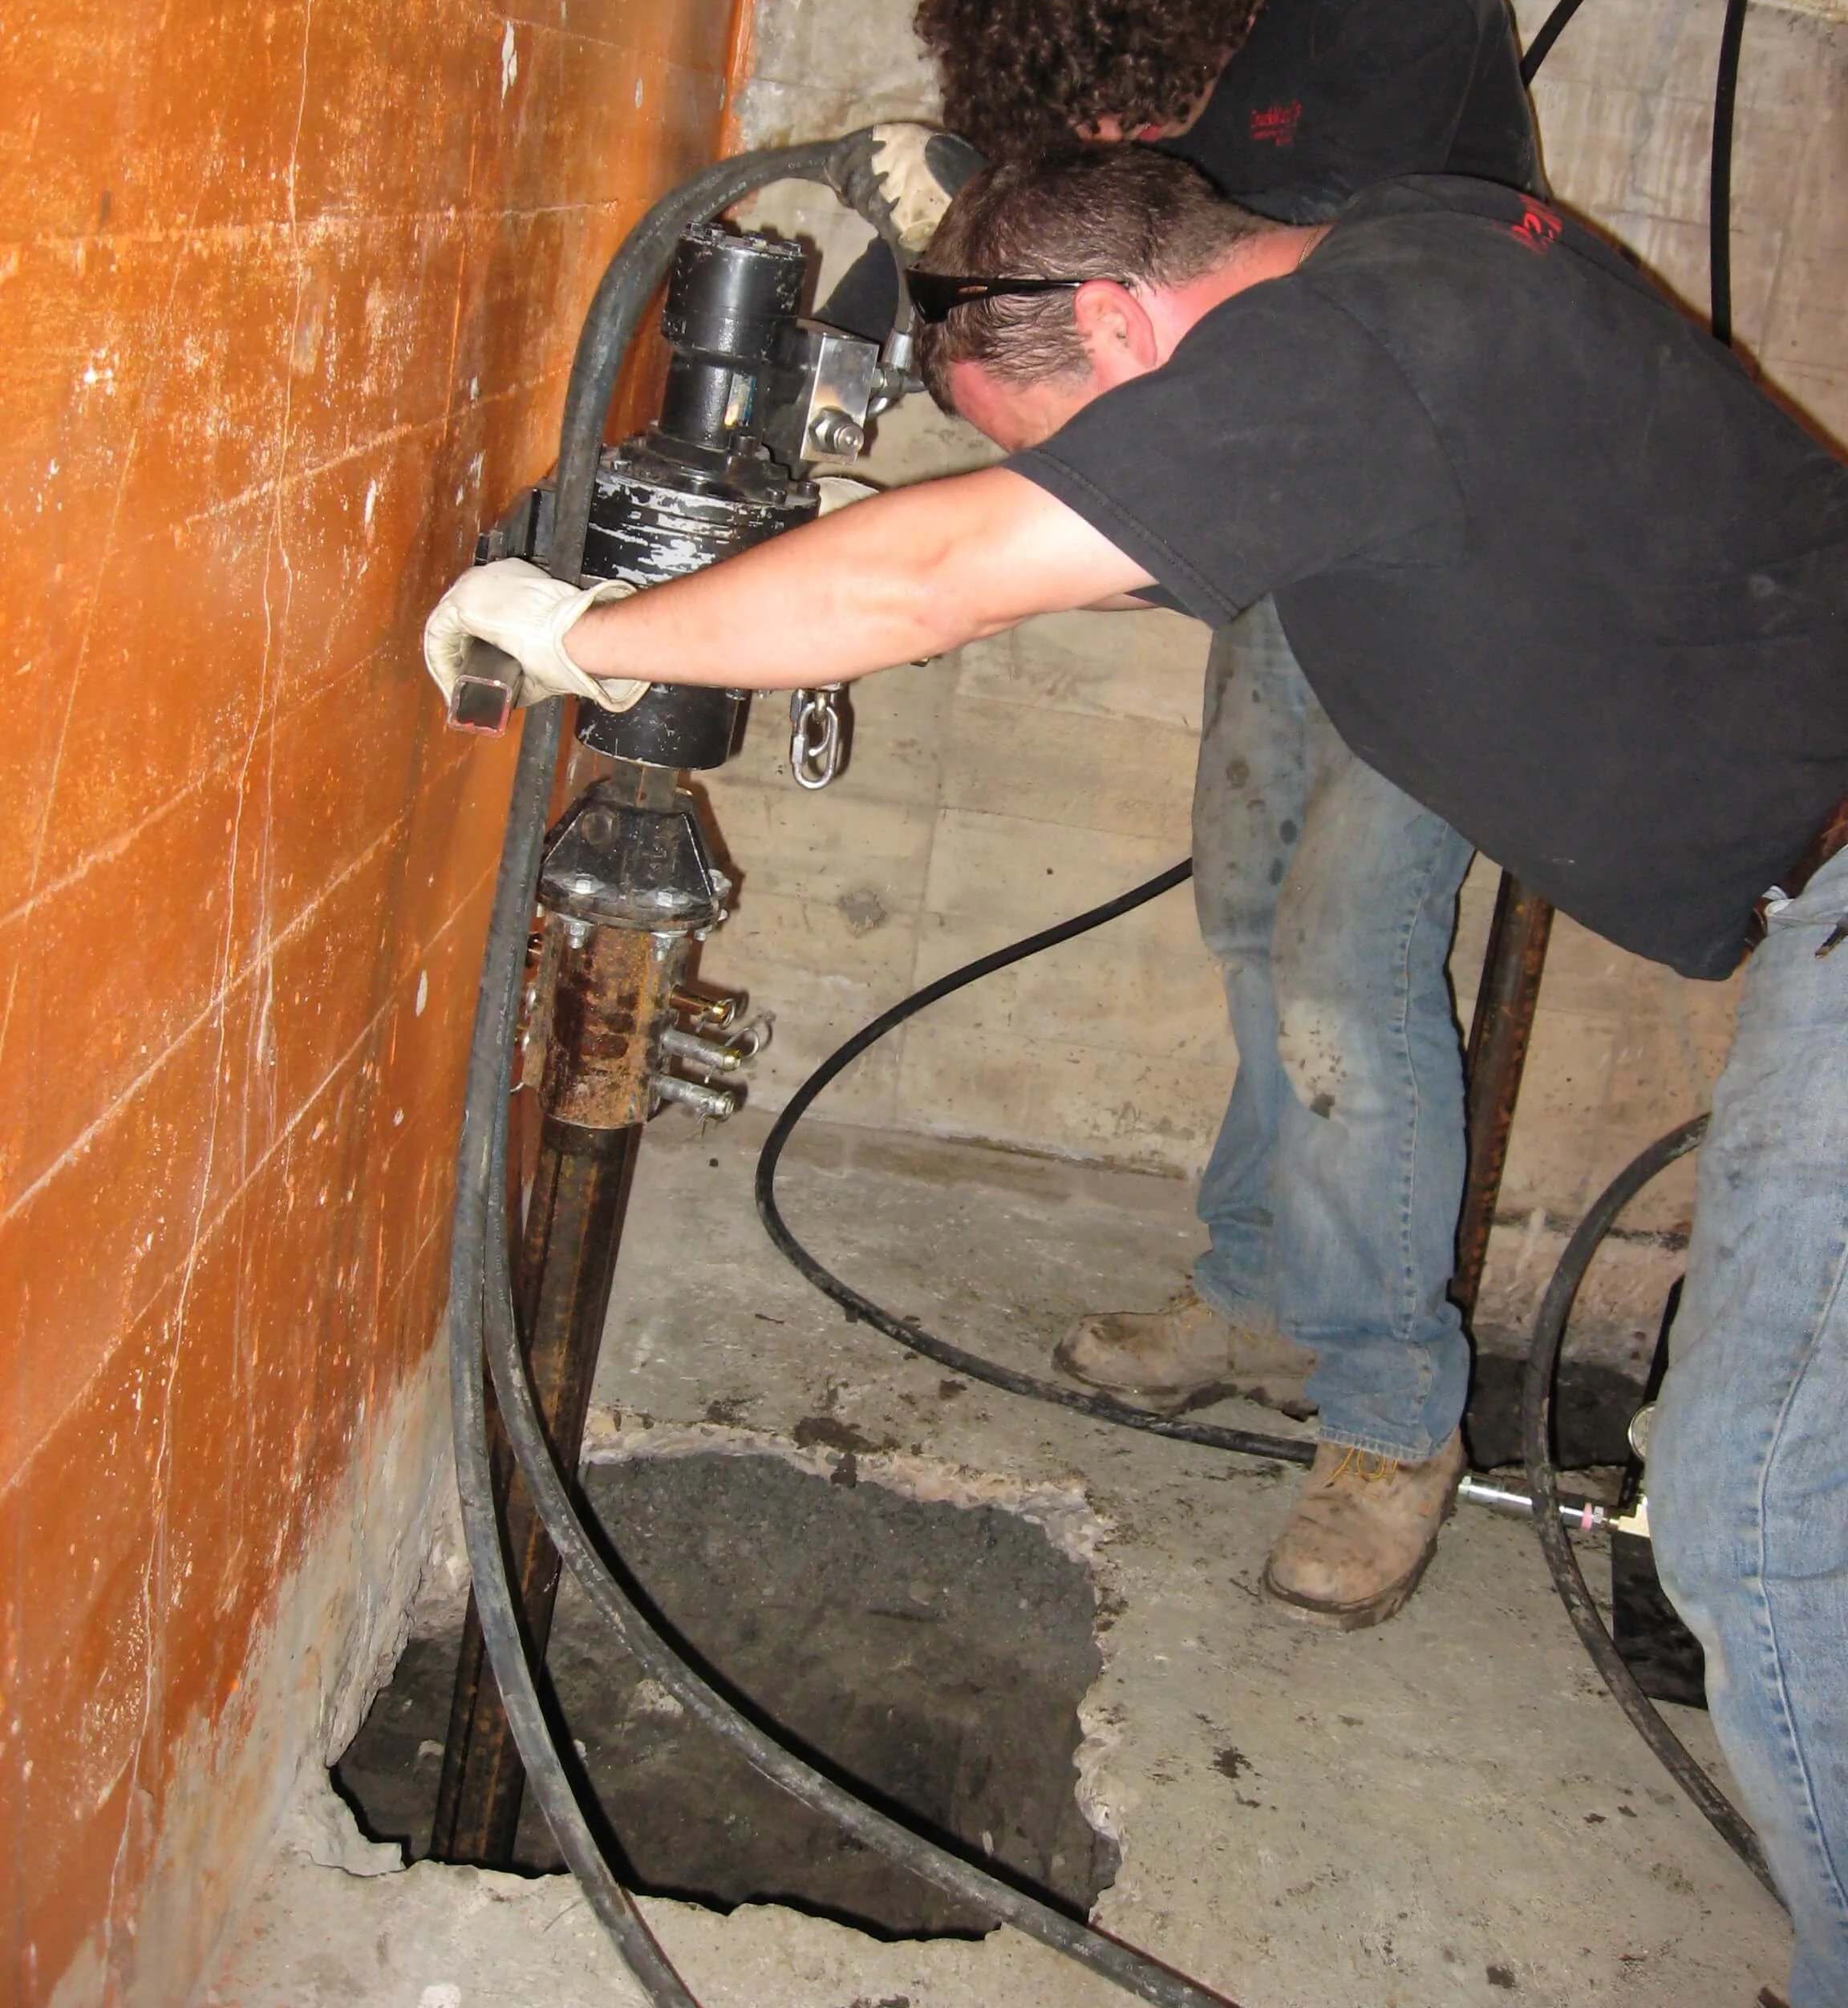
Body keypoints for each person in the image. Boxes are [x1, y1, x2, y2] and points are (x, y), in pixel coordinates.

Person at [428, 144, 1847, 1999]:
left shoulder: (1340, 355)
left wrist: (584, 637)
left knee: (1753, 1523)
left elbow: (946, 574)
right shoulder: (1390, 251)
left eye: (1071, 432)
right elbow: (1087, 547)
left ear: (1120, 315)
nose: (1079, 481)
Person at [835, 0, 1544, 1627]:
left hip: (1475, 534)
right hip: (1298, 527)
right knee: (1249, 922)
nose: (1138, 150)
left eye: (1160, 116)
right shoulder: (1120, 47)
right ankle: (1249, 1293)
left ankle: (1390, 1422)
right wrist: (902, 276)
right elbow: (1049, 224)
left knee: (1344, 961)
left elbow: (1275, 292)